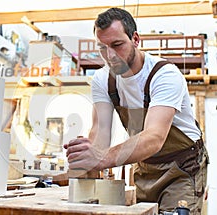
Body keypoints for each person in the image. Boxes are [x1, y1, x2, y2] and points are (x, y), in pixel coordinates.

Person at [64, 7, 209, 215]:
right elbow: (100, 132)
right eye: (102, 48)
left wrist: (102, 158)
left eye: (117, 45)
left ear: (135, 39)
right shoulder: (103, 80)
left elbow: (154, 137)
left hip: (183, 167)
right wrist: (87, 158)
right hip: (145, 166)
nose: (110, 56)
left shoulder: (164, 75)